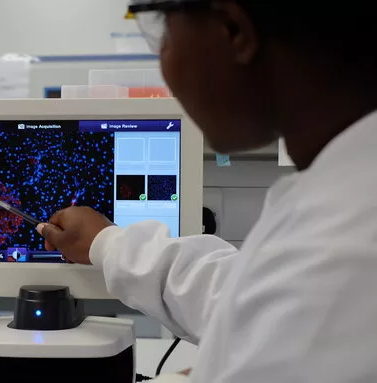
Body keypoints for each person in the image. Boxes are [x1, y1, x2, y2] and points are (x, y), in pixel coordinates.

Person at [38, 1, 377, 382]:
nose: (163, 60)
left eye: (163, 31)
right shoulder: (342, 199)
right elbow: (244, 302)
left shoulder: (350, 248)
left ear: (233, 31)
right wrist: (106, 243)